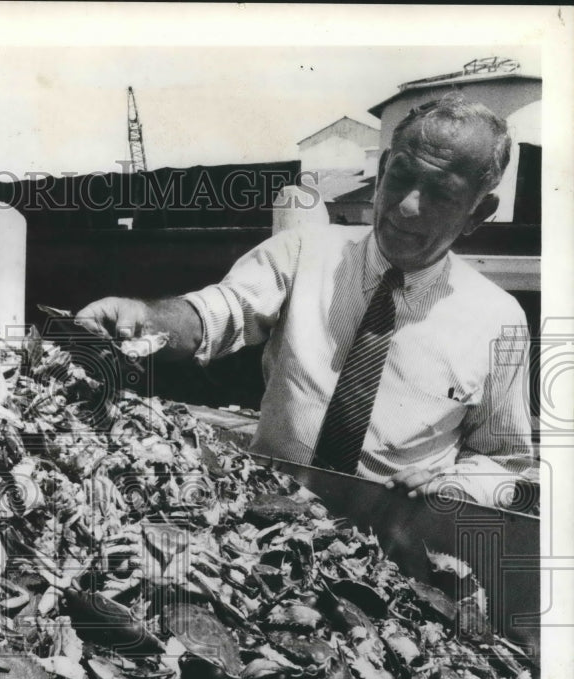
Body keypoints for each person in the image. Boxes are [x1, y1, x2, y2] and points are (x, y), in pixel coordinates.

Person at [76, 94, 535, 507]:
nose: (408, 206)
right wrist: (143, 318)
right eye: (402, 177)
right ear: (381, 173)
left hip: (394, 544)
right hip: (264, 518)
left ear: (478, 213)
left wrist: (456, 487)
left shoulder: (499, 321)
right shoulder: (304, 252)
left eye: (441, 194)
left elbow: (504, 461)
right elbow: (219, 312)